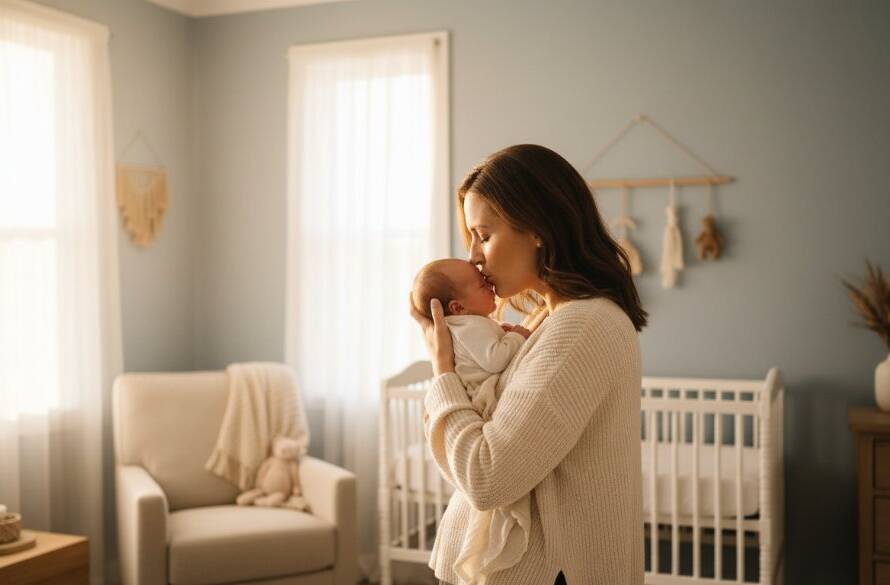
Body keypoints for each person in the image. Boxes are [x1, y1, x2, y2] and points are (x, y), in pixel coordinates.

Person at [409, 144, 648, 585]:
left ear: (536, 228)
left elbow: (485, 478)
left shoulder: (582, 325)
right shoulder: (546, 319)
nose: (474, 257)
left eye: (484, 235)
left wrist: (443, 371)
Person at [412, 258, 533, 585]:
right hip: (476, 398)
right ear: (458, 306)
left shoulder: (465, 324)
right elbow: (495, 359)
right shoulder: (472, 325)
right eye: (480, 284)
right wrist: (517, 336)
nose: (488, 281)